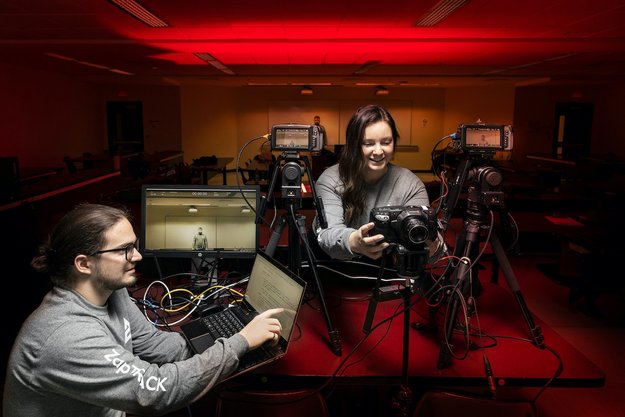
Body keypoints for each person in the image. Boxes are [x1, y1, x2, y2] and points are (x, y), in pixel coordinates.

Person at [3, 203, 284, 417]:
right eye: (125, 249)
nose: (137, 256)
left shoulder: (111, 292)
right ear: (84, 264)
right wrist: (240, 342)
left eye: (134, 246)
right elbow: (158, 391)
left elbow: (156, 346)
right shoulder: (66, 336)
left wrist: (230, 332)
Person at [311, 104, 430, 261]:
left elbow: (421, 243)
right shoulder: (331, 179)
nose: (379, 151)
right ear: (354, 146)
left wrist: (430, 243)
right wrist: (354, 240)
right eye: (368, 143)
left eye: (386, 142)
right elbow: (328, 234)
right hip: (331, 266)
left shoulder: (411, 185)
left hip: (387, 268)